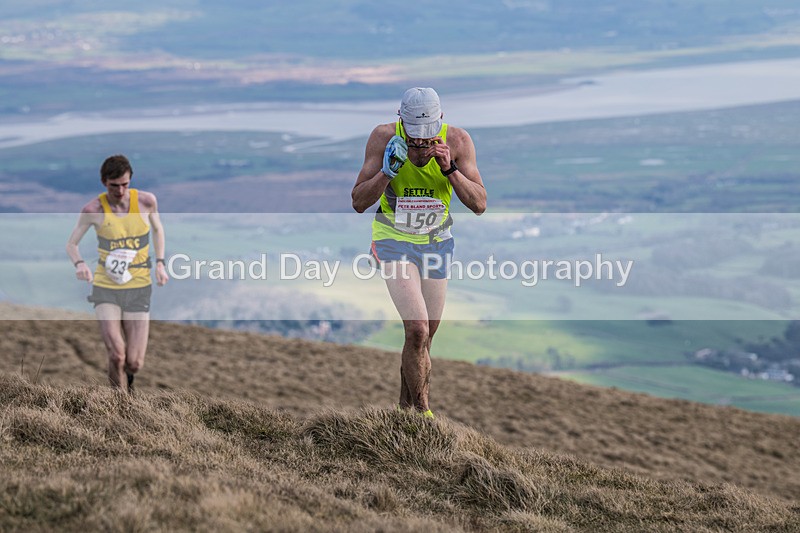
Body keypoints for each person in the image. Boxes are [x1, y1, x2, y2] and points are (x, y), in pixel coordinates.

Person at [352, 87, 487, 417]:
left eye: (427, 142)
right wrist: (388, 172)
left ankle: (404, 411)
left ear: (440, 124)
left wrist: (450, 170)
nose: (421, 149)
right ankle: (425, 417)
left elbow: (480, 204)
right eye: (414, 142)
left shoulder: (457, 141)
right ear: (402, 125)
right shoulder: (382, 138)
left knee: (424, 339)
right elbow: (358, 202)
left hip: (436, 243)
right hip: (392, 240)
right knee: (417, 329)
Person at [66, 154, 169, 393]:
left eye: (125, 184)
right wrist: (80, 264)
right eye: (114, 186)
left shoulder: (146, 202)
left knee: (134, 362)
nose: (121, 191)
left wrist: (161, 263)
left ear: (130, 180)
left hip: (138, 287)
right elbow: (71, 244)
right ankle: (117, 404)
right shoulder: (93, 209)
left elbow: (158, 229)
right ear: (104, 182)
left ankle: (128, 384)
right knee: (116, 355)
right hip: (106, 288)